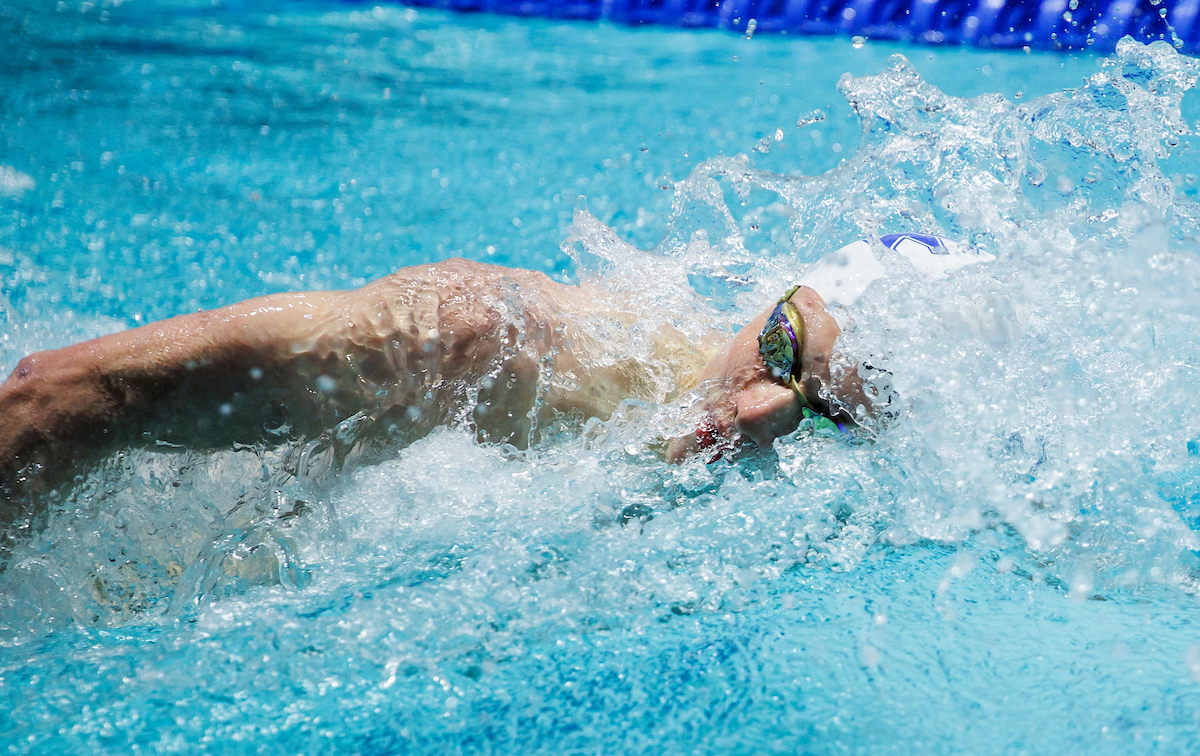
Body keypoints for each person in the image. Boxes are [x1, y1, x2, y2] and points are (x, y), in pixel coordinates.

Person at [0, 254, 883, 488]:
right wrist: (786, 378)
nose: (767, 416)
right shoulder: (479, 344)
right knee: (76, 394)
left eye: (822, 414)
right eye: (778, 358)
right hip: (473, 338)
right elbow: (49, 395)